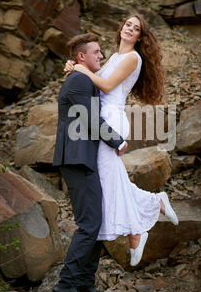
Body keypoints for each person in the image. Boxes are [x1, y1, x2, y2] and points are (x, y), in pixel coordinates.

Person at [64, 14, 179, 268]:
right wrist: (74, 68)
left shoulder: (132, 58)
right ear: (121, 28)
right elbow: (93, 81)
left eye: (136, 28)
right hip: (102, 118)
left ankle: (137, 230)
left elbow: (105, 86)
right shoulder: (115, 56)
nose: (130, 29)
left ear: (140, 37)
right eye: (128, 24)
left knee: (108, 179)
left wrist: (80, 68)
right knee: (110, 178)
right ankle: (151, 208)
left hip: (111, 119)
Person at [51, 33, 129, 292]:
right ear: (81, 56)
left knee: (98, 221)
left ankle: (84, 283)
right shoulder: (78, 80)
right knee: (89, 223)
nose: (101, 56)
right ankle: (65, 285)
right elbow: (90, 118)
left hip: (85, 160)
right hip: (76, 160)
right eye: (96, 52)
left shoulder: (82, 78)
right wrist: (117, 139)